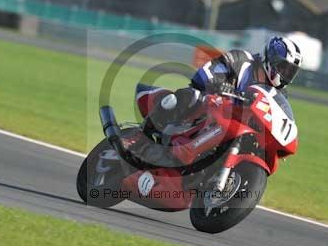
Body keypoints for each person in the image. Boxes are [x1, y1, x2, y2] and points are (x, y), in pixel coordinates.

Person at [126, 36, 304, 168]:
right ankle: (139, 138)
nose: (285, 74)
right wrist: (221, 86)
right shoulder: (242, 60)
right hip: (209, 107)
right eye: (283, 67)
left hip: (233, 127)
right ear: (270, 58)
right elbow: (206, 73)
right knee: (191, 96)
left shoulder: (278, 94)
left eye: (290, 71)